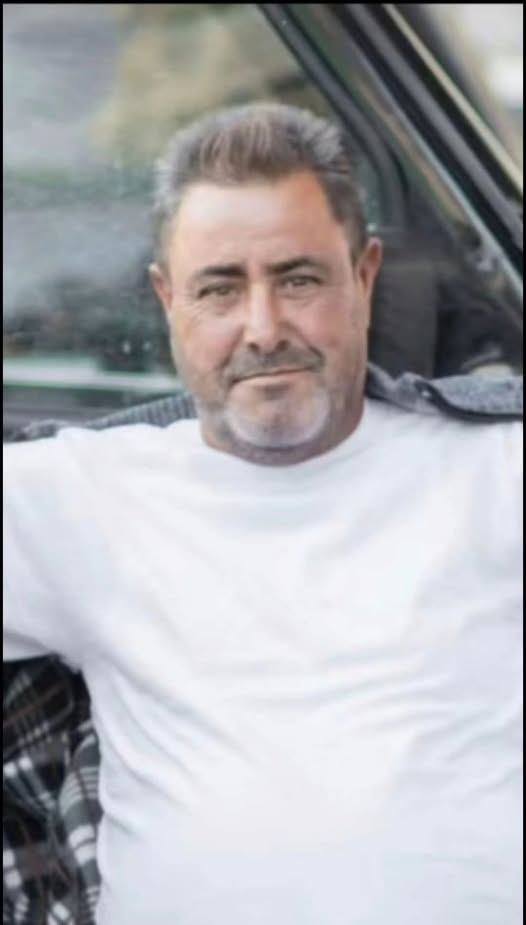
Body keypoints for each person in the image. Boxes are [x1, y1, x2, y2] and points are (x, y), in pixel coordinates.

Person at [3, 102, 522, 925]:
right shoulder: (84, 495)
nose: (264, 327)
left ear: (364, 276)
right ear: (167, 299)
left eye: (298, 279)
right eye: (219, 288)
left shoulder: (494, 465)